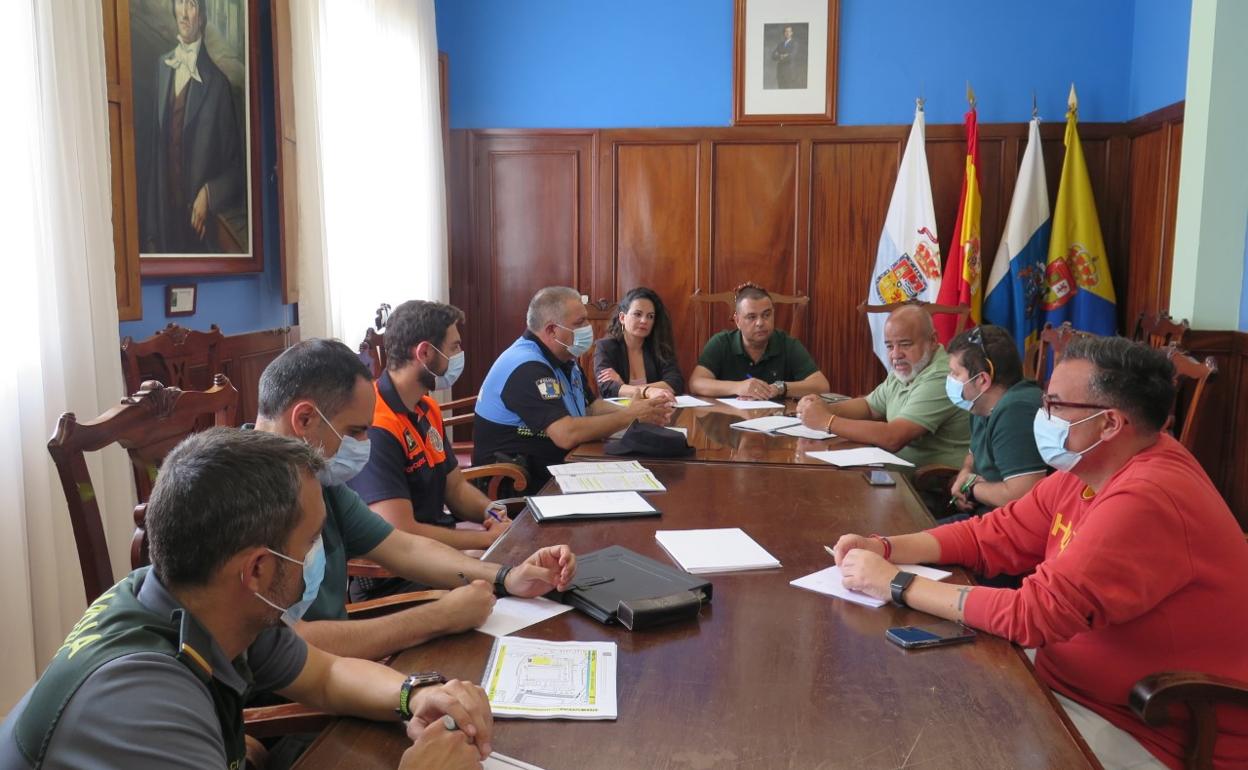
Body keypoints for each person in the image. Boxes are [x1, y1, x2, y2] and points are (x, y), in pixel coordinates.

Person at [830, 336, 1248, 770]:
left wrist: (895, 583)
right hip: (1066, 684)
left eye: (1055, 405)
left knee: (941, 743)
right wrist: (885, 546)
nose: (1041, 415)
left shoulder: (1150, 496)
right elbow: (995, 534)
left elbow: (1032, 613)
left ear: (1110, 424)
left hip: (1151, 728)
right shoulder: (1090, 464)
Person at [0, 428, 491, 769]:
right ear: (257, 568)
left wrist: (416, 694)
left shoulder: (205, 603)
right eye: (311, 541)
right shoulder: (143, 705)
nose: (319, 554)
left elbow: (326, 674)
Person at [254, 338, 576, 661]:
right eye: (355, 432)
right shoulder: (243, 500)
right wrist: (438, 617)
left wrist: (507, 576)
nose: (365, 443)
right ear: (305, 419)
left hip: (344, 671)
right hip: (310, 692)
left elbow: (403, 547)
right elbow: (289, 645)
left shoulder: (319, 477)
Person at [347, 301, 512, 585]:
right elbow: (400, 531)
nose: (460, 355)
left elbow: (456, 487)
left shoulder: (426, 408)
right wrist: (483, 540)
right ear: (424, 352)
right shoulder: (377, 425)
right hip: (398, 574)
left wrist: (491, 512)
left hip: (438, 555)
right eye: (455, 347)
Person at [473, 286, 676, 492]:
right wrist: (631, 416)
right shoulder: (527, 367)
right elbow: (566, 434)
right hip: (516, 480)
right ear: (552, 330)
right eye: (580, 323)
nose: (589, 327)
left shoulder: (564, 357)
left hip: (559, 466)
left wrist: (642, 409)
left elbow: (591, 407)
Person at [795, 305, 969, 467]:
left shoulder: (942, 376)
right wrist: (823, 407)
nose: (895, 354)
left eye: (905, 344)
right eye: (889, 346)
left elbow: (893, 438)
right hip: (894, 473)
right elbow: (870, 406)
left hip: (931, 485)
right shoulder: (910, 367)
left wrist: (826, 421)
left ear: (932, 341)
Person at [140, 0, 246, 254]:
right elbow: (155, 154)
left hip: (199, 232)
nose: (184, 13)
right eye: (180, 3)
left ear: (202, 15)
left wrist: (209, 193)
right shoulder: (161, 68)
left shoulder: (218, 87)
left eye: (192, 5)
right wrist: (150, 231)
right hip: (163, 226)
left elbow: (237, 172)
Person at [944, 325, 1046, 515]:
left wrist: (972, 488)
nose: (949, 379)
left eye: (955, 373)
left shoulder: (1016, 411)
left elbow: (1021, 495)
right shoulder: (979, 406)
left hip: (1011, 530)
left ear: (982, 380)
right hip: (985, 515)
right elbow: (973, 454)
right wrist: (965, 474)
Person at [688, 283, 829, 401]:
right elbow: (696, 383)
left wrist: (779, 388)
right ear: (737, 321)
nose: (760, 323)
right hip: (729, 424)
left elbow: (822, 386)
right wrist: (739, 387)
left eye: (766, 315)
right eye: (751, 317)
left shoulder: (787, 344)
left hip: (776, 424)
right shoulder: (721, 342)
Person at [594, 286, 685, 399]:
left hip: (654, 412)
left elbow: (675, 383)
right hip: (618, 413)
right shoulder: (606, 347)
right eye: (637, 314)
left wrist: (625, 387)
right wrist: (648, 392)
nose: (644, 321)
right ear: (622, 318)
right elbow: (607, 388)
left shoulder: (659, 347)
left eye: (650, 316)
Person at [771, 25, 801, 89]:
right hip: (780, 72)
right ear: (784, 33)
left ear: (792, 33)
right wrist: (782, 55)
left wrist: (779, 55)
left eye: (789, 31)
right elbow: (773, 56)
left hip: (789, 72)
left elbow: (791, 56)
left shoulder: (794, 43)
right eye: (786, 31)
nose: (787, 33)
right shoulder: (780, 44)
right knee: (780, 90)